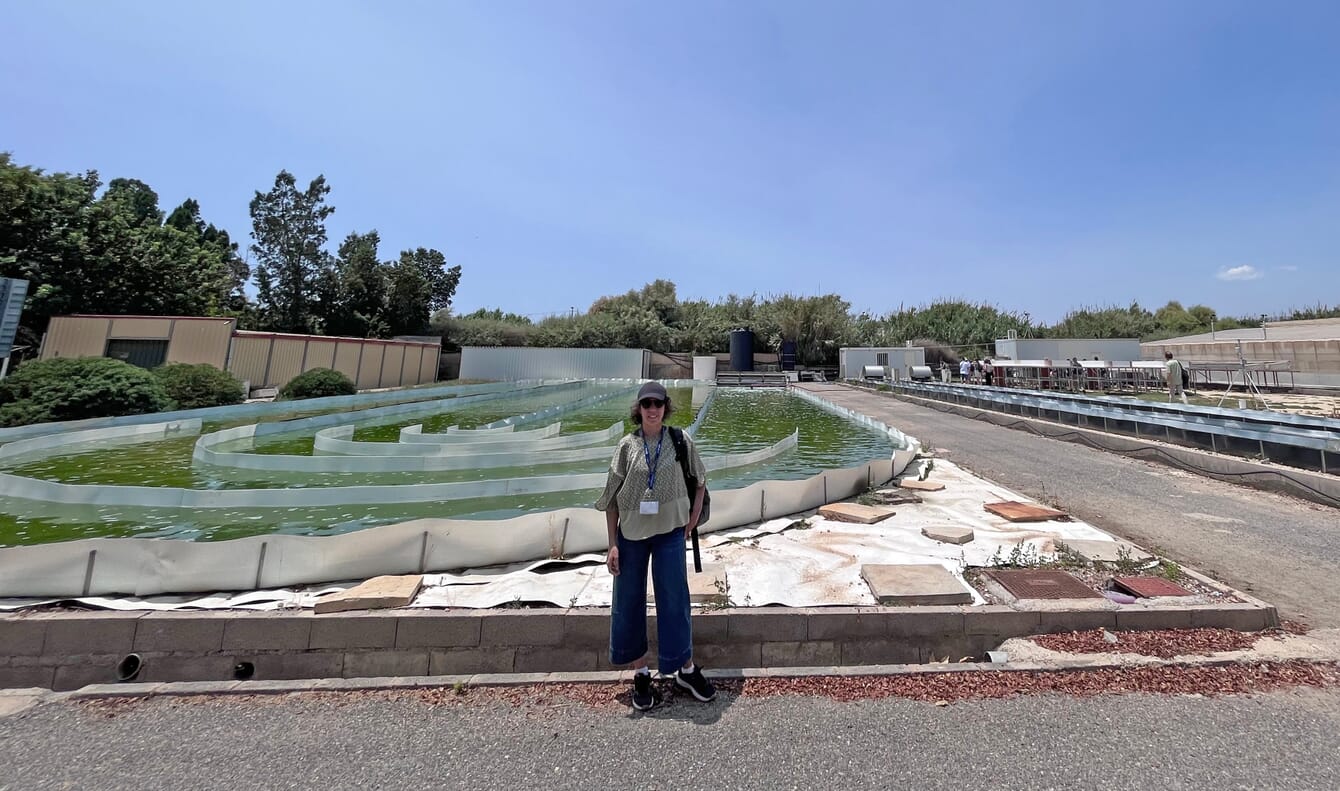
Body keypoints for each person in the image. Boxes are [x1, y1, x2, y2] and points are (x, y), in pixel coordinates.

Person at [595, 381, 714, 711]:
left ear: (665, 407)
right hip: (631, 536)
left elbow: (700, 479)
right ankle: (641, 673)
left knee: (675, 599)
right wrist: (612, 545)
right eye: (646, 403)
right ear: (638, 408)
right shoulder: (626, 447)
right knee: (628, 602)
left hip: (670, 533)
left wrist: (691, 518)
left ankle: (684, 669)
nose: (652, 409)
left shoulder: (679, 440)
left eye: (657, 403)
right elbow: (610, 500)